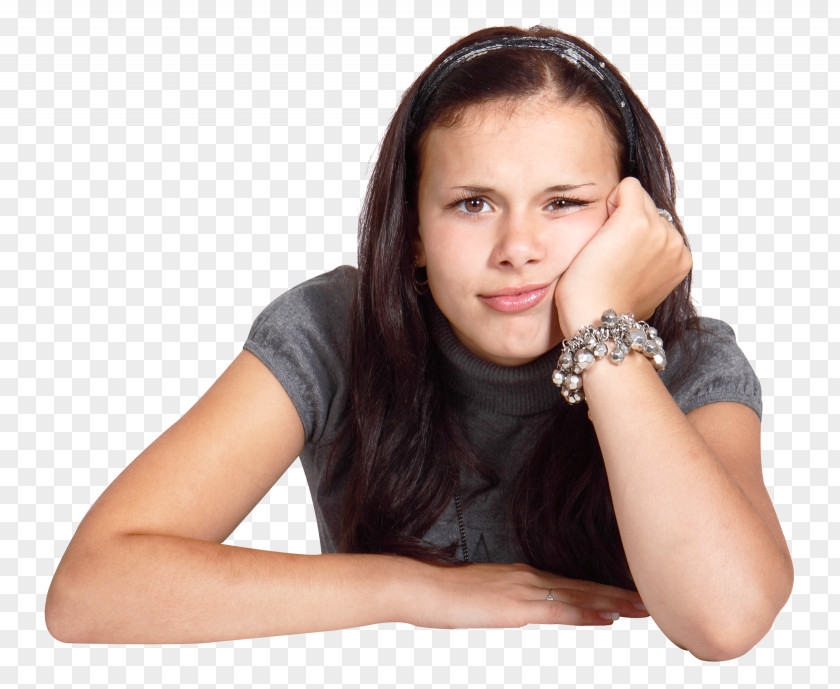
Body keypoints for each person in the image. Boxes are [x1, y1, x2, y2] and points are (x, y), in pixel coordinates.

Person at [45, 25, 792, 660]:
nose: (518, 247)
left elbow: (724, 619)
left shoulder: (687, 360)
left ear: (632, 217)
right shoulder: (332, 329)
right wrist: (417, 588)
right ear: (411, 234)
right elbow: (90, 589)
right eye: (473, 203)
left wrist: (603, 327)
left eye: (563, 203)